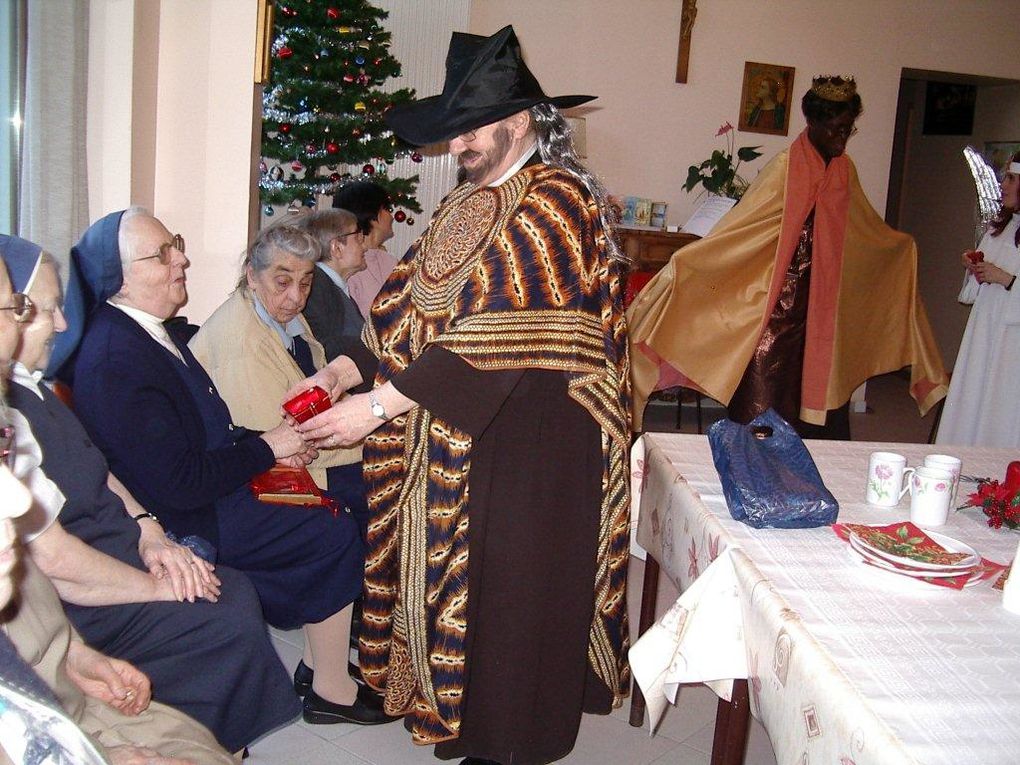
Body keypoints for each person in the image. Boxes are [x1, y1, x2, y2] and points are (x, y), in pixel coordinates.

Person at [285, 25, 631, 765]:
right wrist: (342, 372)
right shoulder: (466, 203)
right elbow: (401, 306)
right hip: (461, 429)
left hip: (537, 441)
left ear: (520, 120)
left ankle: (510, 748)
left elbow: (505, 328)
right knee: (472, 593)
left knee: (515, 601)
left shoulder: (558, 199)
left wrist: (378, 406)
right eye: (455, 132)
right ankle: (470, 728)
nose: (458, 145)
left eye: (471, 129)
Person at [68, 209, 391, 726]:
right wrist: (270, 447)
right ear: (121, 277)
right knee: (327, 529)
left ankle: (321, 668)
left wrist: (275, 447)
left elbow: (212, 431)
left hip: (201, 493)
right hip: (181, 517)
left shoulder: (149, 332)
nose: (183, 257)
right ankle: (328, 687)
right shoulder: (116, 357)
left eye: (176, 243)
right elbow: (179, 483)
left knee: (327, 513)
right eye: (164, 253)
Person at [2, 237, 305, 752]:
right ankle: (207, 737)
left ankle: (208, 736)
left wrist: (149, 531)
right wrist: (157, 586)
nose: (59, 324)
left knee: (231, 588)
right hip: (82, 585)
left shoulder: (28, 391)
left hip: (123, 538)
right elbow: (56, 562)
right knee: (223, 608)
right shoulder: (24, 407)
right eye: (38, 312)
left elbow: (100, 470)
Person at [628, 75, 948, 438]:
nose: (842, 138)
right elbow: (742, 226)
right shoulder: (786, 167)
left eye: (848, 129)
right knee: (766, 397)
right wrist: (691, 260)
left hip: (824, 305)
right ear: (813, 123)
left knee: (824, 392)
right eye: (836, 129)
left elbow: (863, 228)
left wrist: (897, 248)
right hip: (779, 306)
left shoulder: (844, 171)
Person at [190, 222, 371, 527]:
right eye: (283, 282)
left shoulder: (284, 316)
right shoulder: (244, 343)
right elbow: (274, 441)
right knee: (385, 487)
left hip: (312, 458)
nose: (296, 298)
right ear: (252, 276)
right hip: (273, 480)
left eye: (305, 283)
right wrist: (367, 434)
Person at [936, 153, 1020, 446]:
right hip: (985, 330)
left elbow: (1006, 278)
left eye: (1010, 178)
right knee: (975, 395)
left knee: (1002, 403)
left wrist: (1007, 280)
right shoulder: (1000, 229)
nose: (1003, 185)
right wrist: (975, 267)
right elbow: (976, 289)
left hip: (1012, 341)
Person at [299, 209, 370, 360]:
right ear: (336, 248)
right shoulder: (315, 289)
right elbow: (321, 348)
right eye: (358, 239)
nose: (365, 247)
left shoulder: (331, 285)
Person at [333, 181, 397, 317]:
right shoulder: (349, 266)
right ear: (372, 214)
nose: (392, 217)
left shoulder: (390, 261)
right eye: (387, 209)